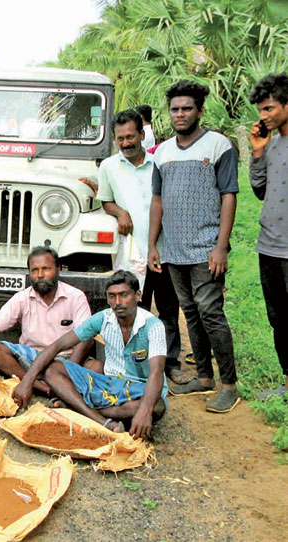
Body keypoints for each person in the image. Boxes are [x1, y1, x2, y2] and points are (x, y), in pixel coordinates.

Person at [148, 80, 240, 413]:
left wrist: (220, 246)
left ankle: (228, 384)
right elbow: (157, 200)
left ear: (200, 110)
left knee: (211, 312)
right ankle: (203, 377)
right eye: (175, 109)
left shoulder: (218, 145)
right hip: (173, 250)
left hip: (206, 248)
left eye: (187, 108)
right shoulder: (163, 152)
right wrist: (152, 245)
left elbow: (229, 194)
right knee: (191, 313)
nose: (180, 114)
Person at [13, 271, 168, 439]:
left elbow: (157, 372)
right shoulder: (103, 318)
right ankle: (103, 422)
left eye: (124, 295)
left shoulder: (153, 326)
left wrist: (145, 410)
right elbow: (57, 345)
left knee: (156, 406)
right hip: (108, 384)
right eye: (112, 296)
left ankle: (75, 407)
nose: (117, 302)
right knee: (52, 369)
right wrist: (27, 380)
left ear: (138, 295)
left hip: (140, 389)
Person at [97, 109, 186, 385]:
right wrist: (120, 213)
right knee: (136, 308)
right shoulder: (109, 167)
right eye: (120, 138)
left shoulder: (159, 162)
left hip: (165, 247)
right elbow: (106, 200)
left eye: (131, 137)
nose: (126, 143)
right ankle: (136, 366)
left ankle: (171, 362)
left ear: (142, 135)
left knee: (169, 308)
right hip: (133, 251)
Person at [0, 246, 92, 392]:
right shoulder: (22, 298)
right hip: (30, 358)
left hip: (65, 359)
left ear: (58, 269)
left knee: (96, 367)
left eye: (46, 269)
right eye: (34, 270)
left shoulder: (76, 296)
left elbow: (85, 338)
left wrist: (69, 370)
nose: (40, 275)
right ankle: (42, 387)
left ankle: (58, 383)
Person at [249, 72, 288, 399]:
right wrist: (258, 153)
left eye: (270, 109)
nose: (263, 117)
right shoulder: (270, 144)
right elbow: (259, 191)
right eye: (261, 110)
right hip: (270, 246)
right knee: (279, 320)